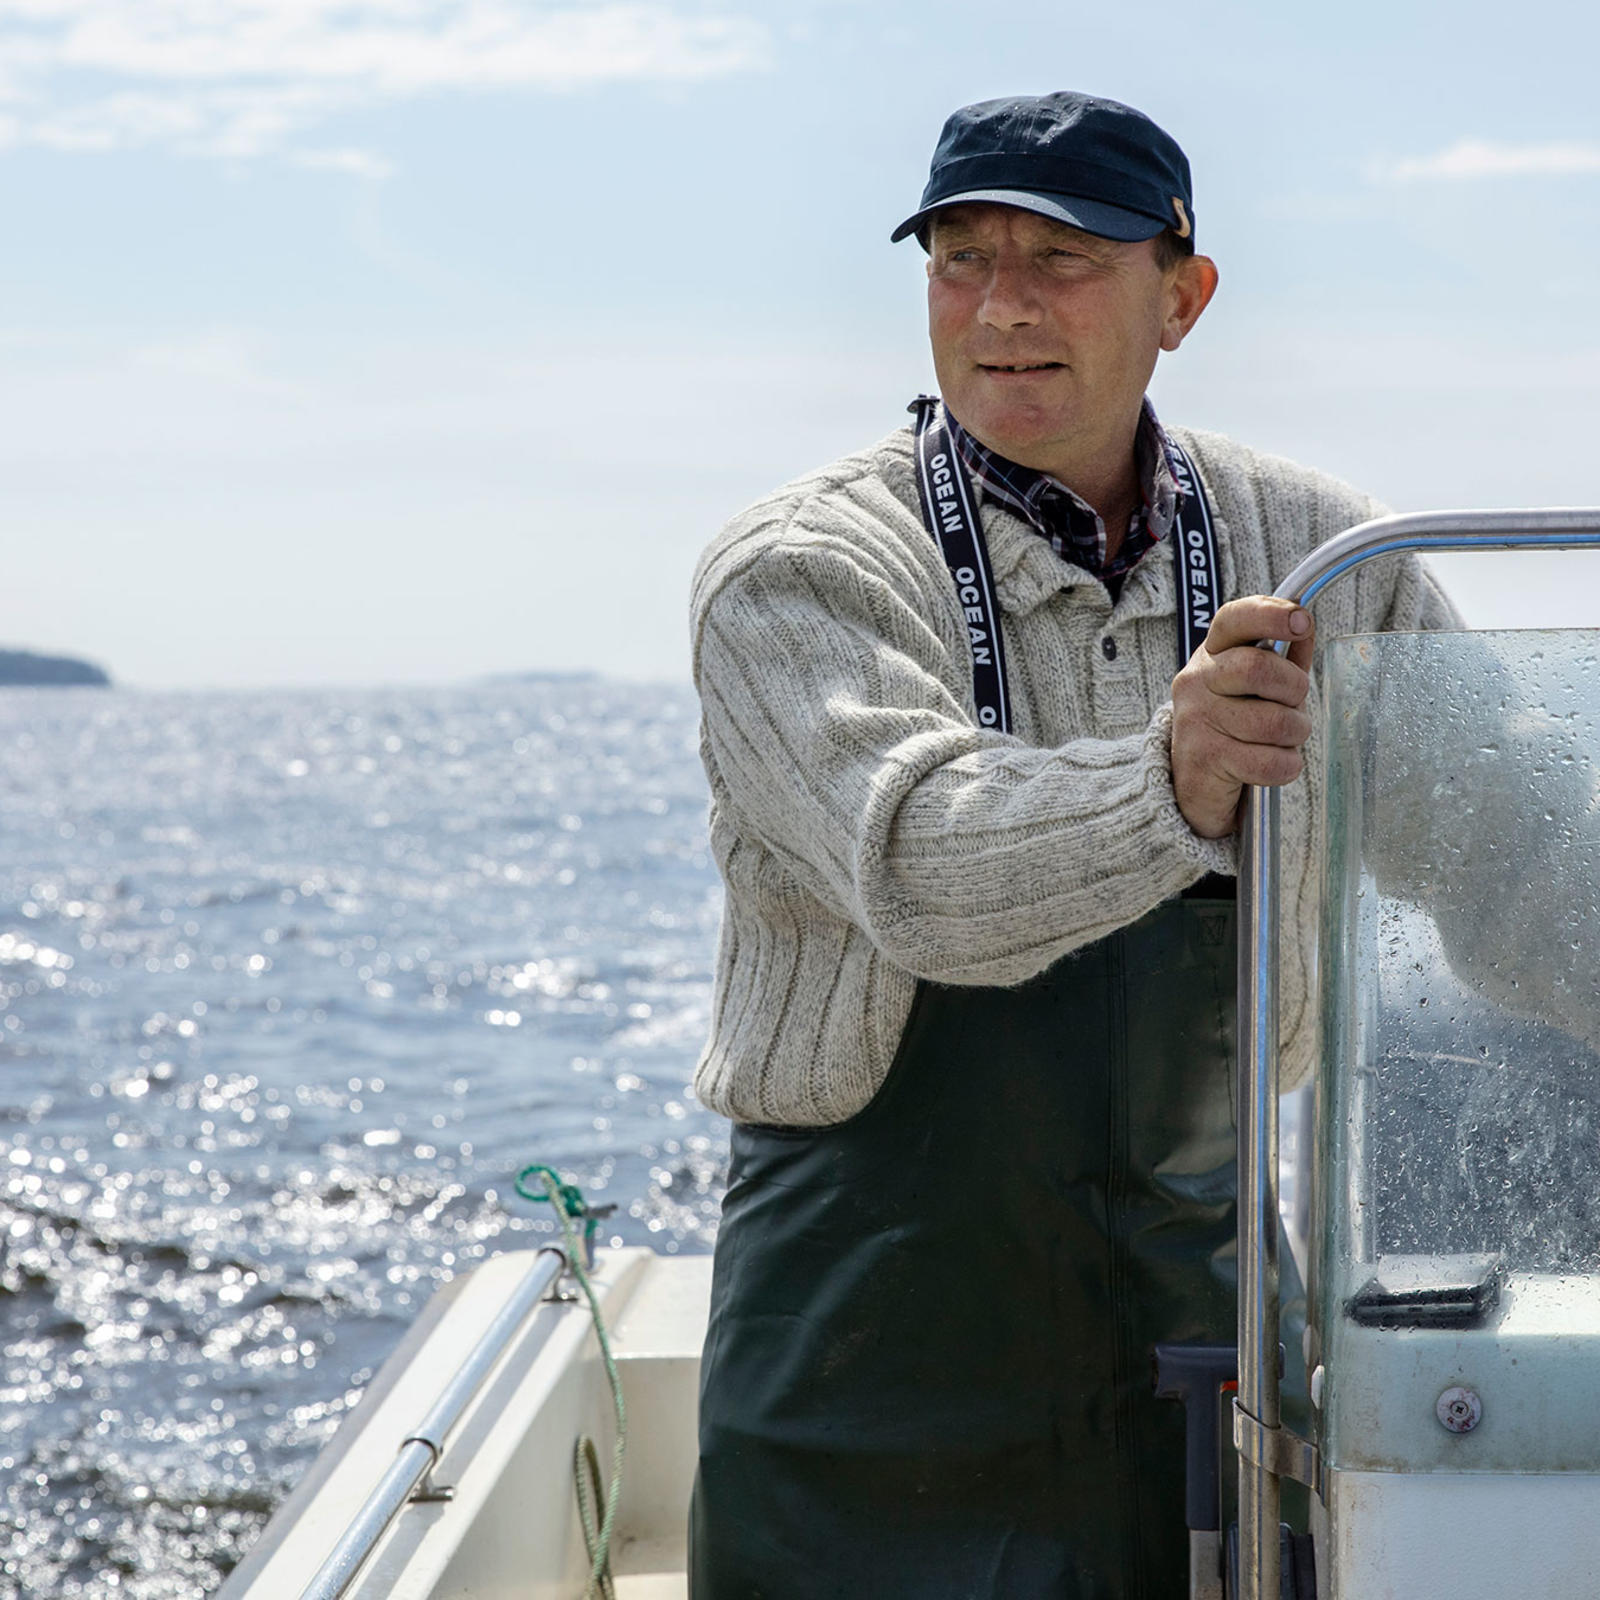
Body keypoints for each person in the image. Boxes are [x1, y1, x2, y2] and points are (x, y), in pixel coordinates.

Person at [685, 91, 1456, 1599]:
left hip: (1206, 1332)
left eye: (1064, 259)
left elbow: (1518, 869)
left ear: (1184, 296)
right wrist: (1172, 779)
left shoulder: (1331, 555)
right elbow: (913, 862)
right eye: (961, 258)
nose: (1003, 308)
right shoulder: (799, 571)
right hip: (862, 1358)